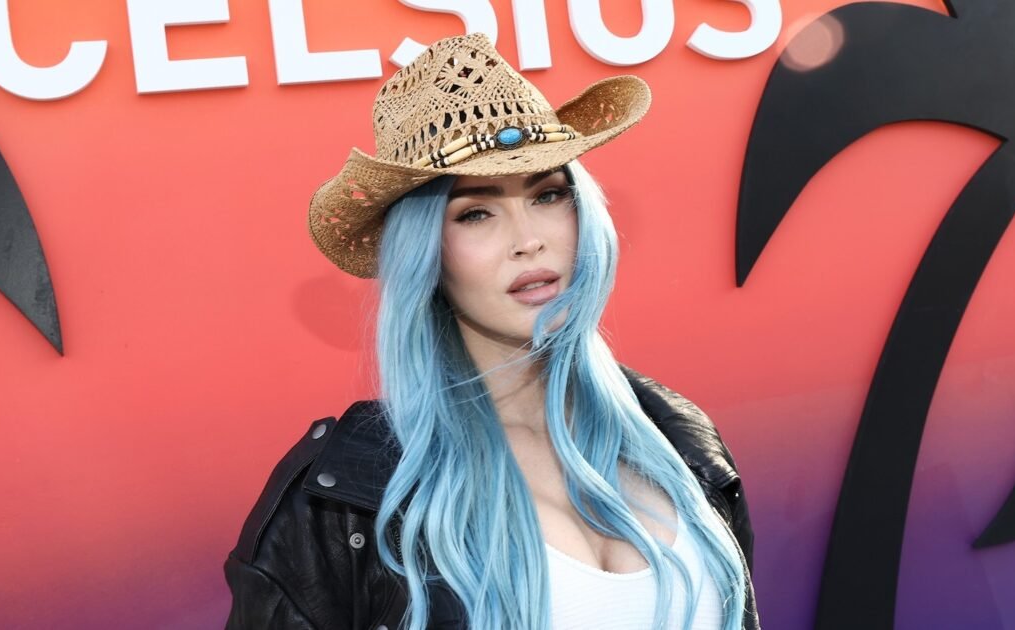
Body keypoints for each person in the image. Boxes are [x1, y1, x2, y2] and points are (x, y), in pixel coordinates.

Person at [225, 33, 759, 630]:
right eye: (476, 212)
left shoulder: (677, 436)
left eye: (548, 195)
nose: (529, 240)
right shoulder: (341, 498)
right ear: (426, 255)